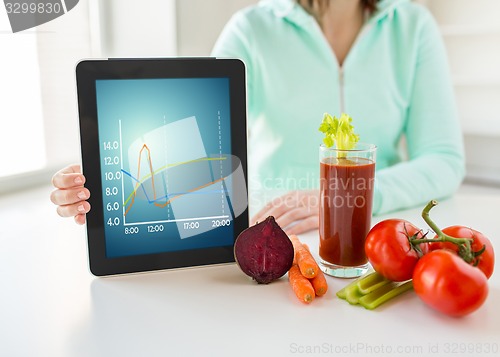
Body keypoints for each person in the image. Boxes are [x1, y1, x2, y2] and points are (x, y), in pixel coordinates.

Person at [50, 0, 465, 234]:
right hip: (275, 231)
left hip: (376, 232)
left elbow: (444, 158)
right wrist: (106, 183)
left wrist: (346, 201)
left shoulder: (412, 26)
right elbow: (193, 147)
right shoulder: (249, 31)